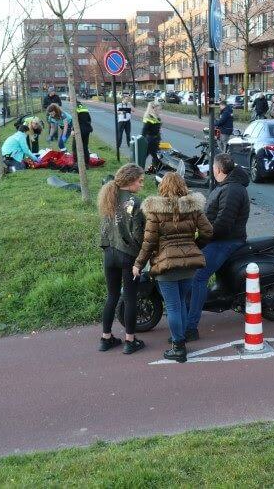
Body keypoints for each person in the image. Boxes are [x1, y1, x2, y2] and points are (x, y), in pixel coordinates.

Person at [133, 172, 213, 363]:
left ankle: (178, 347)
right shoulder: (193, 207)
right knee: (182, 302)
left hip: (166, 266)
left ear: (163, 187)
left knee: (173, 306)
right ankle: (180, 338)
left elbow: (149, 241)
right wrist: (193, 247)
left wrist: (138, 264)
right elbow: (208, 231)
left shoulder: (155, 210)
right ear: (183, 186)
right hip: (189, 266)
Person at [186, 154, 249, 341]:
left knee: (198, 276)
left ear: (219, 170)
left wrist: (203, 239)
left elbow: (223, 224)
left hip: (226, 241)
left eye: (213, 168)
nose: (212, 171)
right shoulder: (228, 186)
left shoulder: (232, 190)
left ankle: (190, 327)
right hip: (220, 239)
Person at [98, 164, 146, 355]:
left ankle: (106, 338)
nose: (141, 185)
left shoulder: (109, 197)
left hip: (109, 253)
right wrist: (142, 255)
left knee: (112, 296)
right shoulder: (135, 202)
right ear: (130, 180)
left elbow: (105, 229)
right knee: (130, 297)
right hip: (127, 256)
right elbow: (138, 235)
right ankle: (130, 341)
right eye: (140, 181)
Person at [141, 99, 164, 172]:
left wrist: (159, 131)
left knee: (145, 155)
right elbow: (144, 130)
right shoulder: (149, 117)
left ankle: (142, 169)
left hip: (155, 139)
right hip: (150, 140)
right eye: (159, 109)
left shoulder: (157, 117)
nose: (160, 110)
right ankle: (156, 170)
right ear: (154, 108)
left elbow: (157, 127)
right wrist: (142, 140)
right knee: (156, 155)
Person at [75, 101, 93, 166]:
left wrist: (73, 130)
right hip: (87, 129)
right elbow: (89, 119)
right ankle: (86, 162)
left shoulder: (75, 108)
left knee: (76, 146)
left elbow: (75, 121)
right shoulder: (84, 108)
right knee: (85, 146)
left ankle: (77, 162)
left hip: (80, 130)